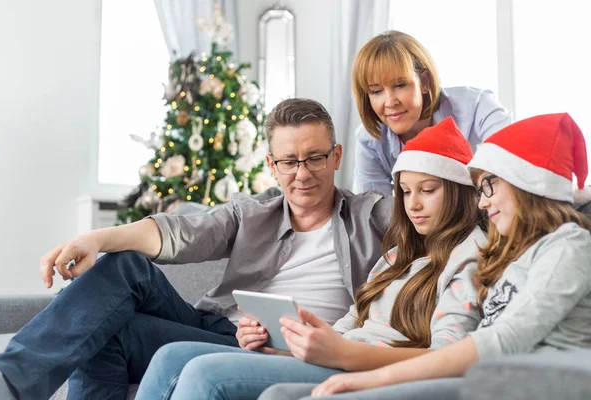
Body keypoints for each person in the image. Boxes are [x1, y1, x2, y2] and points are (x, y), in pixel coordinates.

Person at [0, 99, 394, 400]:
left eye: (315, 159)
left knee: (113, 331)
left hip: (283, 349)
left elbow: (437, 201)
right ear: (272, 165)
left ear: (336, 156)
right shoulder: (253, 212)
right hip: (217, 329)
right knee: (126, 268)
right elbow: (179, 232)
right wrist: (95, 239)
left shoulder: (371, 217)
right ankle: (9, 382)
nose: (302, 174)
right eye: (289, 162)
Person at [133, 116, 488, 400]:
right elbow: (347, 327)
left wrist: (343, 355)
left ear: (459, 191)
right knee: (171, 356)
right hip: (336, 358)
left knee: (203, 373)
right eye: (406, 191)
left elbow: (449, 358)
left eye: (428, 190)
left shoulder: (469, 257)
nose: (412, 204)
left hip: (363, 367)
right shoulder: (399, 256)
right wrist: (289, 348)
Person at [264, 112, 591, 400]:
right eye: (405, 192)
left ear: (526, 184)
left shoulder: (568, 245)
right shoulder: (516, 253)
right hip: (486, 375)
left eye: (490, 186)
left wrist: (371, 376)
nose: (482, 202)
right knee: (278, 395)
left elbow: (501, 340)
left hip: (519, 382)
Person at [352, 30, 512, 195]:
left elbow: (509, 165)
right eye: (376, 91)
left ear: (424, 82)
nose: (390, 102)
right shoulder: (369, 141)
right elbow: (376, 212)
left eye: (400, 85)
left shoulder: (477, 105)